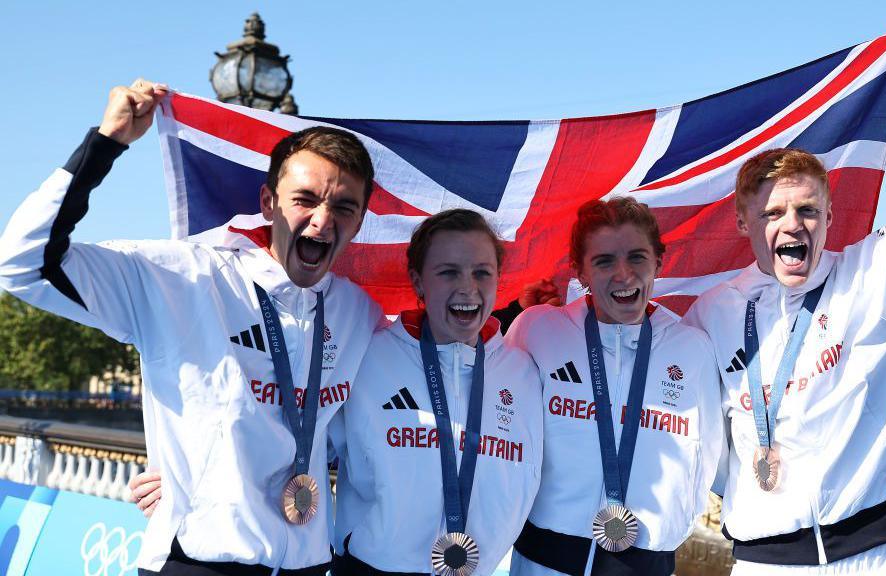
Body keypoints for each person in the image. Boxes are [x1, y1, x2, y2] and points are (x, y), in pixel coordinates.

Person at [0, 80, 384, 574]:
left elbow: (375, 422)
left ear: (359, 223)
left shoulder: (359, 313)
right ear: (268, 203)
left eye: (343, 208)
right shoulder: (184, 277)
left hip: (307, 564)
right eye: (305, 199)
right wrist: (106, 143)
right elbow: (24, 264)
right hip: (197, 561)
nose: (321, 221)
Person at [681, 5, 886, 575]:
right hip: (762, 563)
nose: (792, 224)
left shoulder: (877, 276)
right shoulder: (711, 314)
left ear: (830, 216)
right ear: (743, 224)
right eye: (773, 211)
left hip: (867, 559)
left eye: (807, 209)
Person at [506, 197, 724, 576]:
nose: (623, 274)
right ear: (581, 272)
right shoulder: (538, 330)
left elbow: (709, 455)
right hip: (543, 561)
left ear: (659, 261)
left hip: (643, 565)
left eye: (637, 257)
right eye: (604, 261)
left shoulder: (693, 348)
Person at [331, 208, 544, 576]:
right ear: (417, 281)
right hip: (374, 568)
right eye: (448, 272)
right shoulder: (367, 355)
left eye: (482, 272)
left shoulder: (524, 370)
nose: (467, 287)